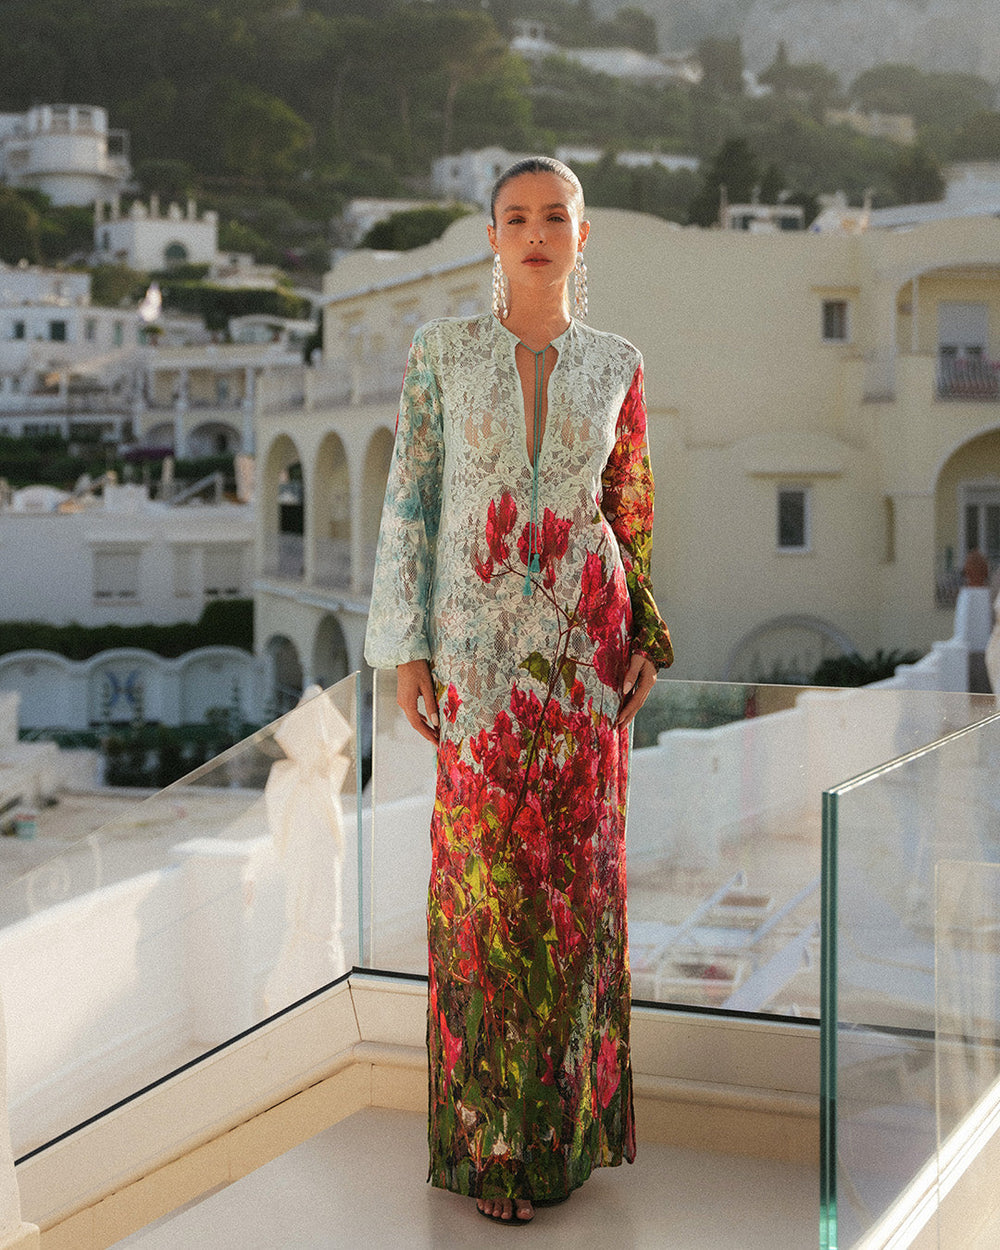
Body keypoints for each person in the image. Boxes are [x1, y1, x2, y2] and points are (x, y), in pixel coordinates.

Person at [364, 156, 673, 1225]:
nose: (535, 231)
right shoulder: (439, 356)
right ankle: (493, 1146)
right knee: (486, 898)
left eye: (555, 216)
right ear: (491, 236)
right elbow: (411, 500)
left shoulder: (618, 363)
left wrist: (643, 640)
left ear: (582, 238)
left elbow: (629, 515)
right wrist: (408, 649)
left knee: (574, 893)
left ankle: (566, 1137)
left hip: (583, 661)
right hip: (479, 662)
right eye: (515, 216)